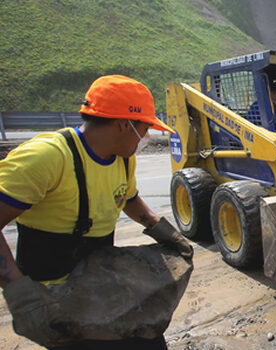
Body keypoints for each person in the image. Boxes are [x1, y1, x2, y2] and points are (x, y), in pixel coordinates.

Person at [0, 75, 193, 349]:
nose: (147, 136)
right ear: (125, 125)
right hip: (54, 299)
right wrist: (19, 293)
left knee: (149, 338)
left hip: (96, 281)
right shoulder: (46, 158)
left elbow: (129, 198)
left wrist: (163, 231)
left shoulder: (123, 160)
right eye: (145, 128)